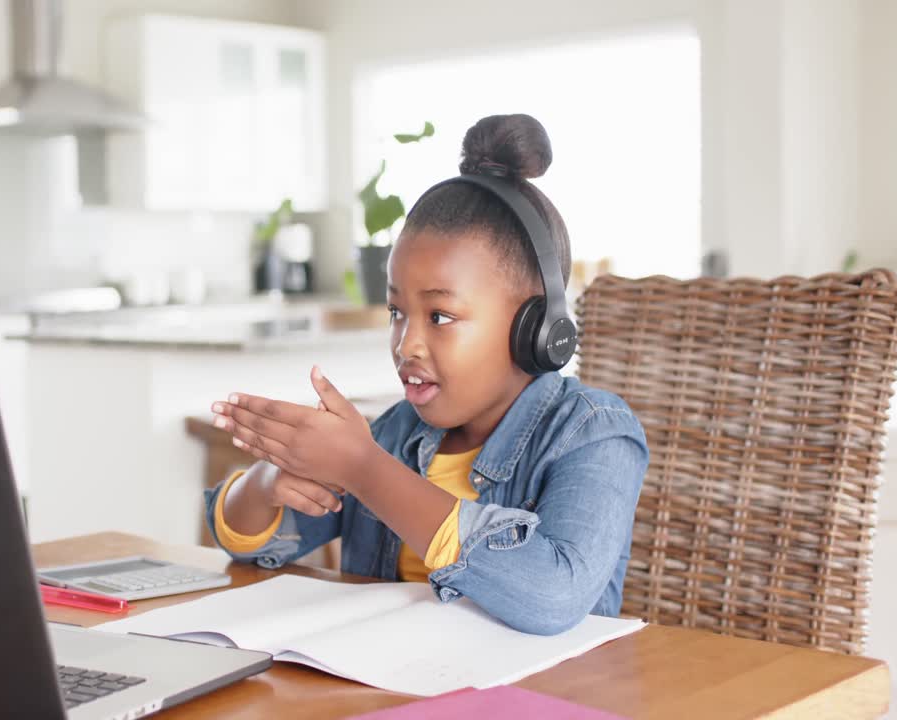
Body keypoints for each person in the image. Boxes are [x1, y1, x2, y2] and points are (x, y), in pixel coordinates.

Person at [203, 113, 649, 635]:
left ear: (535, 327)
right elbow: (250, 544)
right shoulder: (394, 433)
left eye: (440, 316)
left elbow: (553, 596)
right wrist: (268, 482)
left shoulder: (593, 434)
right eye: (397, 313)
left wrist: (364, 468)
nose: (406, 343)